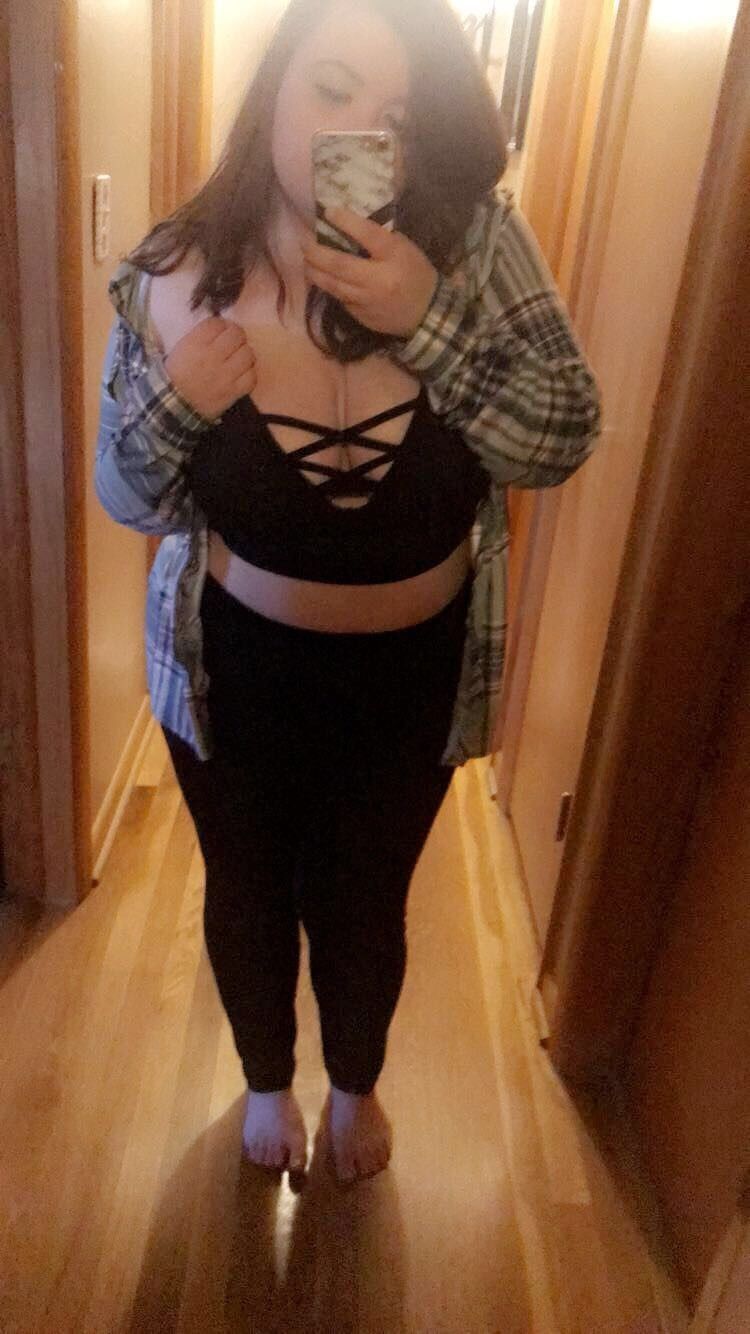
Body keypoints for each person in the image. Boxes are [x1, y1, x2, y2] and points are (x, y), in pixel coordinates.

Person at [95, 0, 603, 1185]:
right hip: (230, 673)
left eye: (400, 119)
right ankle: (268, 1080)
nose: (363, 138)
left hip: (412, 677)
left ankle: (357, 1084)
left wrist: (429, 325)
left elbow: (563, 434)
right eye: (332, 92)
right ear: (275, 86)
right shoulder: (173, 268)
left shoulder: (477, 247)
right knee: (248, 891)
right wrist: (176, 400)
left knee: (368, 900)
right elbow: (127, 494)